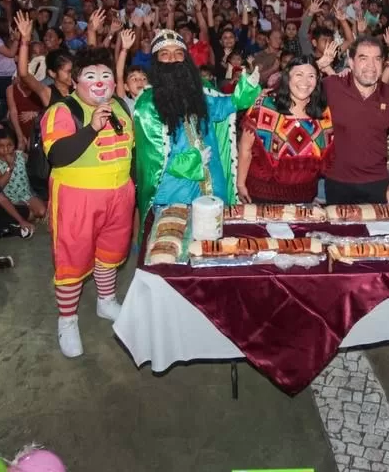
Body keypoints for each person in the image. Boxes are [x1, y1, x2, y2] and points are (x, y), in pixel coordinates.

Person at [40, 47, 136, 357]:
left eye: (106, 75)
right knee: (72, 259)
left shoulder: (120, 106)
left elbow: (131, 151)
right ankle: (67, 320)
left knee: (111, 252)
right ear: (75, 81)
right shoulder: (62, 110)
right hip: (77, 199)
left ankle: (106, 301)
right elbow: (57, 155)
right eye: (90, 76)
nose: (100, 82)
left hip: (119, 196)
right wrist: (92, 127)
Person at [132, 29, 260, 221]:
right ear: (156, 61)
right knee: (174, 238)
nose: (173, 59)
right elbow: (153, 159)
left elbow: (226, 106)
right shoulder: (147, 104)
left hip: (212, 186)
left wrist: (247, 89)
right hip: (174, 191)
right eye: (165, 54)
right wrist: (191, 161)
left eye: (178, 53)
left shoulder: (200, 91)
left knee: (214, 237)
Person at [318, 36, 389, 204]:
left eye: (377, 59)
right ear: (351, 63)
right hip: (337, 182)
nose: (371, 66)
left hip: (378, 182)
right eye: (363, 58)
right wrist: (319, 65)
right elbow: (295, 86)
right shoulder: (332, 86)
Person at [238, 56, 336, 204]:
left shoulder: (323, 113)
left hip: (304, 195)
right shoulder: (265, 106)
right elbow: (245, 148)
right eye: (299, 75)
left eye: (311, 76)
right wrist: (240, 184)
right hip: (263, 193)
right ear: (287, 77)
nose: (305, 82)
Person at [0, 129, 45, 219]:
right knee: (29, 215)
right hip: (10, 199)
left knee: (41, 212)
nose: (6, 149)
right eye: (1, 146)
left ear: (14, 144)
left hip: (26, 194)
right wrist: (10, 167)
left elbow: (35, 167)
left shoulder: (21, 155)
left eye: (9, 145)